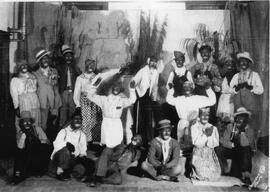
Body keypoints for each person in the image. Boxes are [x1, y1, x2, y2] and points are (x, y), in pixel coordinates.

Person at [87, 80, 136, 148]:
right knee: (106, 142)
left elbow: (132, 100)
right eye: (115, 88)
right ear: (111, 88)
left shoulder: (121, 100)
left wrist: (132, 90)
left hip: (116, 123)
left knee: (117, 141)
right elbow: (90, 96)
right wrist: (94, 86)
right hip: (107, 122)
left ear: (120, 90)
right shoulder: (103, 99)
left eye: (118, 88)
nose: (116, 89)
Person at [166, 81, 216, 148]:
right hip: (182, 124)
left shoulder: (198, 98)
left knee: (194, 143)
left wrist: (208, 89)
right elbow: (169, 99)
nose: (187, 89)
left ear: (192, 88)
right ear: (183, 88)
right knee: (181, 144)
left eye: (189, 87)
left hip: (194, 124)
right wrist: (171, 90)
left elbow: (212, 101)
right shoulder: (179, 99)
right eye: (185, 87)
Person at [215, 107, 255, 184]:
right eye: (238, 117)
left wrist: (242, 131)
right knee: (219, 149)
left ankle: (246, 176)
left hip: (243, 153)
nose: (239, 120)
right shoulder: (230, 126)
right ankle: (224, 169)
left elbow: (245, 144)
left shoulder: (249, 129)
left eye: (242, 118)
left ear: (246, 120)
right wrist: (232, 144)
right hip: (232, 149)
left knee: (246, 149)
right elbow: (223, 141)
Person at [10, 111, 51, 185]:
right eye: (24, 122)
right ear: (21, 123)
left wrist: (38, 141)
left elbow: (47, 142)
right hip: (26, 156)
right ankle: (17, 176)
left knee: (45, 148)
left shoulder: (37, 129)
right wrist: (23, 138)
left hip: (37, 154)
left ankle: (39, 170)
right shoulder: (20, 133)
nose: (27, 124)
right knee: (19, 155)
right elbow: (20, 148)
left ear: (32, 122)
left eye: (29, 121)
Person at [49, 113, 94, 181]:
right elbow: (56, 144)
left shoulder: (82, 135)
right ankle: (59, 172)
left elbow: (83, 151)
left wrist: (83, 157)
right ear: (71, 120)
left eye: (80, 120)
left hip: (71, 160)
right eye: (76, 119)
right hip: (58, 160)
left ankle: (69, 172)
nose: (78, 121)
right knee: (66, 151)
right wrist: (66, 144)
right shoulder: (63, 131)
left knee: (82, 168)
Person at [230, 52, 264, 132]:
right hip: (239, 108)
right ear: (239, 63)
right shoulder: (236, 76)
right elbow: (229, 90)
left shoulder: (255, 75)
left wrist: (251, 87)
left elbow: (261, 90)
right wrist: (236, 88)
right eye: (241, 61)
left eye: (245, 61)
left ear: (249, 63)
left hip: (252, 107)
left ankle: (252, 143)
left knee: (252, 127)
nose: (243, 63)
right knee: (239, 128)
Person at [133, 56, 163, 146]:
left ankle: (148, 140)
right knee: (139, 118)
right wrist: (136, 89)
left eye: (155, 62)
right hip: (141, 96)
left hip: (149, 97)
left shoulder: (156, 72)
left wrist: (154, 97)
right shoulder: (143, 71)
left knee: (149, 119)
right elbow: (135, 80)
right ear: (148, 62)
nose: (153, 64)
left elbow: (155, 85)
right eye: (152, 62)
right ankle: (137, 139)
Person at [163, 51, 193, 138]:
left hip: (184, 100)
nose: (179, 62)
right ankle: (174, 138)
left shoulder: (188, 73)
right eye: (177, 61)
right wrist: (170, 85)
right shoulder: (173, 73)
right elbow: (168, 85)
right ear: (175, 62)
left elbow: (192, 85)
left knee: (184, 120)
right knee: (174, 119)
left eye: (181, 60)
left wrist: (188, 85)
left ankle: (185, 139)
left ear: (184, 61)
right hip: (175, 99)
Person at [73, 58, 102, 142]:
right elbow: (76, 93)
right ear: (86, 66)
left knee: (93, 122)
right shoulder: (80, 78)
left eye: (93, 65)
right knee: (85, 123)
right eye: (89, 65)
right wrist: (78, 104)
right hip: (84, 103)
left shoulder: (97, 77)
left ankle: (89, 140)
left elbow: (99, 91)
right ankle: (83, 141)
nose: (91, 67)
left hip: (94, 103)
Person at [34, 49, 62, 131]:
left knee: (53, 126)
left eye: (47, 58)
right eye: (43, 59)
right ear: (39, 61)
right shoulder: (35, 74)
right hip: (42, 104)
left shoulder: (54, 71)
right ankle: (43, 142)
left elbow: (56, 88)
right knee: (43, 126)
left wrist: (56, 107)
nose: (46, 60)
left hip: (53, 103)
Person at [190, 107, 221, 181]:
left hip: (209, 154)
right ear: (199, 116)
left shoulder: (212, 127)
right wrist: (205, 135)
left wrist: (209, 139)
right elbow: (196, 143)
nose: (205, 117)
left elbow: (215, 143)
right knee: (201, 175)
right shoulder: (195, 127)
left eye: (207, 115)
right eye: (202, 115)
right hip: (198, 154)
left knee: (214, 175)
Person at [10, 60, 41, 130]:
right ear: (18, 68)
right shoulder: (15, 79)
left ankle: (35, 137)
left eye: (25, 65)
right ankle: (24, 139)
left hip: (34, 101)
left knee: (35, 120)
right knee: (26, 122)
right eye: (22, 65)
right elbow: (14, 94)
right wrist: (16, 107)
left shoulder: (32, 76)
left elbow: (35, 88)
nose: (24, 67)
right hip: (24, 102)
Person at [58, 44, 80, 127]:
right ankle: (62, 129)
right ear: (64, 57)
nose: (68, 58)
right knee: (63, 111)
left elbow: (80, 77)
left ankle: (71, 127)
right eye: (66, 56)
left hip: (73, 92)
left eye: (70, 56)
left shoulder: (75, 68)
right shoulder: (59, 68)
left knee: (72, 110)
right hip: (64, 92)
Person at [216, 56, 237, 121]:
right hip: (223, 100)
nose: (229, 66)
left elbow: (236, 89)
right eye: (227, 64)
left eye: (231, 63)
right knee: (222, 119)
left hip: (231, 99)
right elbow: (221, 88)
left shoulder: (236, 76)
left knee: (229, 118)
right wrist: (219, 89)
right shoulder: (224, 77)